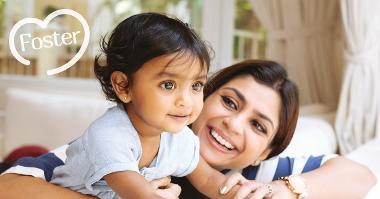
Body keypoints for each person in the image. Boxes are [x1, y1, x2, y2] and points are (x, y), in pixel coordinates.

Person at [0, 60, 376, 199]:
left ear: (265, 151)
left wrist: (282, 189)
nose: (233, 123)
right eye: (229, 102)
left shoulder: (248, 176)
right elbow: (9, 186)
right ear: (201, 97)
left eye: (258, 126)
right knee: (21, 155)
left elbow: (358, 175)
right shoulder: (136, 144)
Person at [1, 12, 240, 199]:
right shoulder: (109, 135)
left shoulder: (179, 139)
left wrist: (245, 193)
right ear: (123, 86)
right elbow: (140, 195)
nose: (185, 100)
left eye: (196, 86)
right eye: (168, 85)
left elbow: (210, 180)